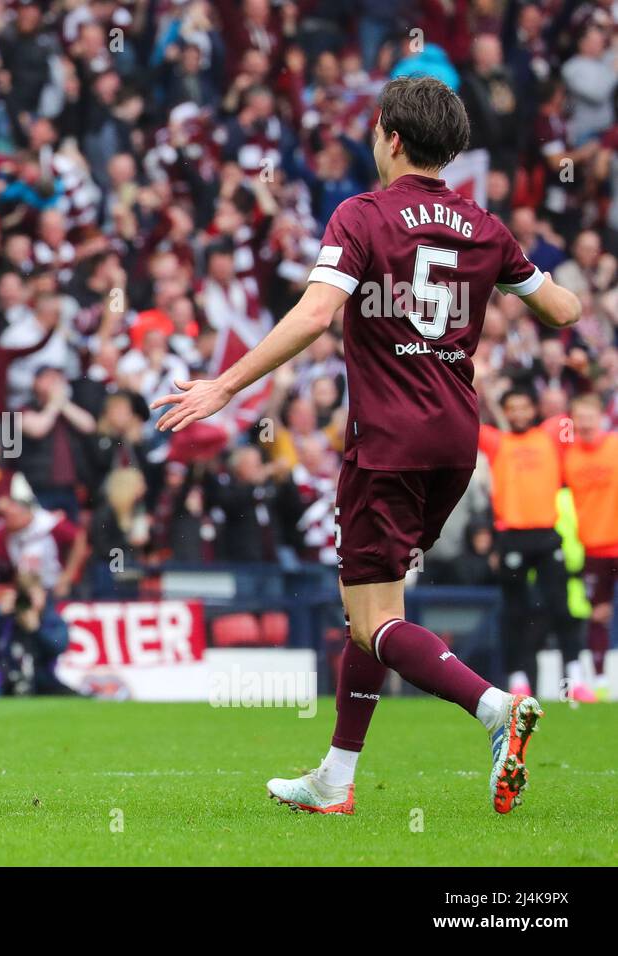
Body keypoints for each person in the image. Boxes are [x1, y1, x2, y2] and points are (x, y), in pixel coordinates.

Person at [153, 76, 581, 816]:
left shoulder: (362, 215)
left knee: (371, 619)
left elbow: (318, 314)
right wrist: (511, 280)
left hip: (387, 436)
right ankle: (334, 778)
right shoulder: (483, 224)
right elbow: (563, 310)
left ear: (387, 135)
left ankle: (494, 709)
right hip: (456, 438)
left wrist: (224, 387)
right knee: (375, 606)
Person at [478, 387, 590, 700]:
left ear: (534, 409)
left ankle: (575, 681)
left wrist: (580, 375)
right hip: (512, 536)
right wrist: (479, 383)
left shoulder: (551, 435)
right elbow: (465, 420)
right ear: (505, 412)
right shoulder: (496, 441)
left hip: (547, 533)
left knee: (561, 607)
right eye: (512, 408)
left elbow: (583, 410)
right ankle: (517, 681)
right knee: (515, 612)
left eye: (524, 407)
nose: (519, 413)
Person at [562, 393, 618, 694]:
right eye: (579, 418)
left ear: (600, 418)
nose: (584, 424)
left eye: (589, 417)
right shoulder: (568, 457)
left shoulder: (615, 446)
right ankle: (598, 681)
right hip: (593, 546)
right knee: (599, 615)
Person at [0, 572, 76, 696]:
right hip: (6, 680)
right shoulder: (5, 618)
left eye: (33, 596)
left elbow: (59, 646)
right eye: (25, 596)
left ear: (43, 595)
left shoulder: (51, 619)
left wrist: (37, 629)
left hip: (42, 680)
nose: (28, 602)